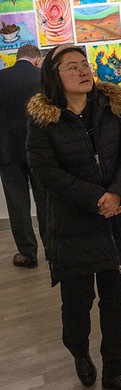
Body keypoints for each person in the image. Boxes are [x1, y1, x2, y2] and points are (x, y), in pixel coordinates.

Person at [26, 45, 121, 390]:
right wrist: (98, 199)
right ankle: (79, 352)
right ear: (54, 76)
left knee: (114, 299)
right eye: (72, 67)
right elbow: (45, 172)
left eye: (85, 65)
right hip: (72, 226)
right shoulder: (43, 120)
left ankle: (115, 370)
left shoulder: (109, 107)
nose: (83, 71)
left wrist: (118, 193)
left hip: (113, 222)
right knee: (77, 302)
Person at [0, 43, 47, 269]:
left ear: (17, 57)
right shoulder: (43, 77)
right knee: (46, 201)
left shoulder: (1, 78)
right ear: (37, 60)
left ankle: (28, 254)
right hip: (40, 150)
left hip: (6, 151)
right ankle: (52, 249)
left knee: (17, 205)